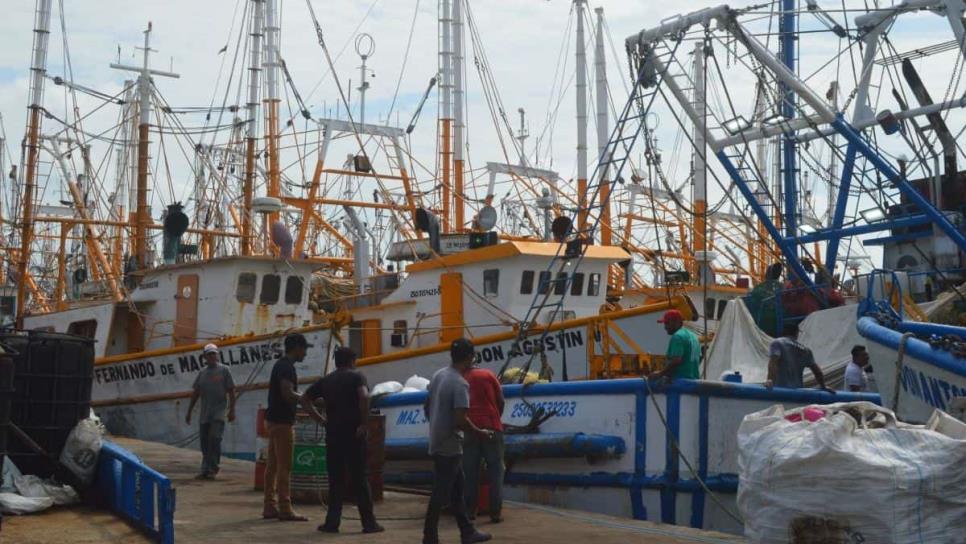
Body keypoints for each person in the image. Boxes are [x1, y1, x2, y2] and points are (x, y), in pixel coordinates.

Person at [300, 347, 384, 534]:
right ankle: (369, 524)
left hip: (333, 434)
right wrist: (363, 423)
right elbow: (364, 396)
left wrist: (320, 420)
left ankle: (332, 523)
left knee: (336, 480)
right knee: (359, 479)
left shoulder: (327, 380)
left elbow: (305, 399)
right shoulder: (357, 376)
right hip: (354, 434)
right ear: (352, 360)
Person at [423, 338, 493, 544]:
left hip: (436, 439)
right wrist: (480, 432)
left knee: (457, 489)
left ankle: (467, 531)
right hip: (450, 445)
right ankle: (429, 536)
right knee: (441, 492)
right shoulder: (460, 383)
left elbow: (427, 405)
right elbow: (460, 419)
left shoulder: (439, 375)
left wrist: (437, 423)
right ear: (470, 357)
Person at [262, 333, 312, 522]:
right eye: (304, 349)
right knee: (285, 466)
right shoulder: (287, 367)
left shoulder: (280, 365)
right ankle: (285, 507)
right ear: (296, 347)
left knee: (272, 466)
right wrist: (306, 399)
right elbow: (287, 392)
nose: (305, 353)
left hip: (272, 420)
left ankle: (269, 506)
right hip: (282, 422)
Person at [462, 360, 505, 523]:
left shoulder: (460, 378)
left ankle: (470, 511)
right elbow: (500, 400)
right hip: (492, 426)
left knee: (470, 471)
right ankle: (495, 513)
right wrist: (495, 419)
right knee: (496, 471)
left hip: (470, 428)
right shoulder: (488, 374)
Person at [185, 343, 236, 480]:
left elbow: (231, 391)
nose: (212, 356)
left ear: (217, 355)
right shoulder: (202, 373)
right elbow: (196, 393)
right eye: (209, 354)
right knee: (204, 442)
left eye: (214, 353)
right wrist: (189, 411)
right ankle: (205, 469)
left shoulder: (225, 370)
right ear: (205, 357)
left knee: (214, 439)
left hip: (218, 412)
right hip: (205, 414)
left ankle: (213, 468)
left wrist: (232, 410)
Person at [765, 322, 834, 392]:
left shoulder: (777, 343)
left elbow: (773, 363)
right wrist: (823, 386)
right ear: (796, 333)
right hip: (797, 392)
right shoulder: (806, 350)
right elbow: (817, 371)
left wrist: (770, 380)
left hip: (780, 391)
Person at [649, 309, 700, 380]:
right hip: (694, 382)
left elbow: (676, 360)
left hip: (680, 382)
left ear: (676, 322)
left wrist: (660, 374)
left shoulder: (677, 336)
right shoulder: (694, 337)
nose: (665, 327)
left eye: (667, 323)